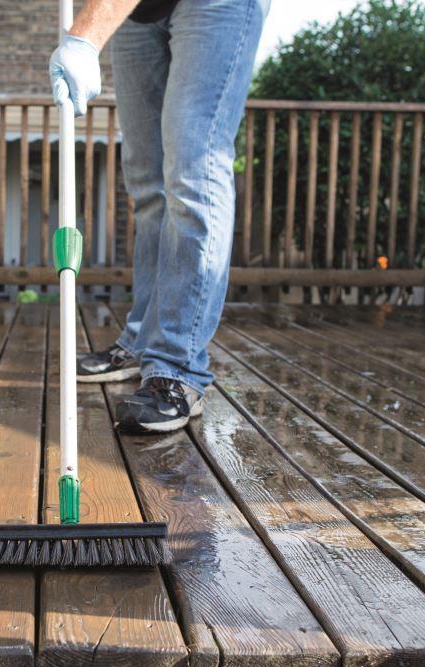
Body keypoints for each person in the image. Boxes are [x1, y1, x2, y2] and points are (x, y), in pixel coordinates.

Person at [49, 0, 269, 433]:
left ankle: (176, 367)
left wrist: (84, 37)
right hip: (138, 12)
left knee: (193, 171)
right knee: (147, 182)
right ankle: (142, 342)